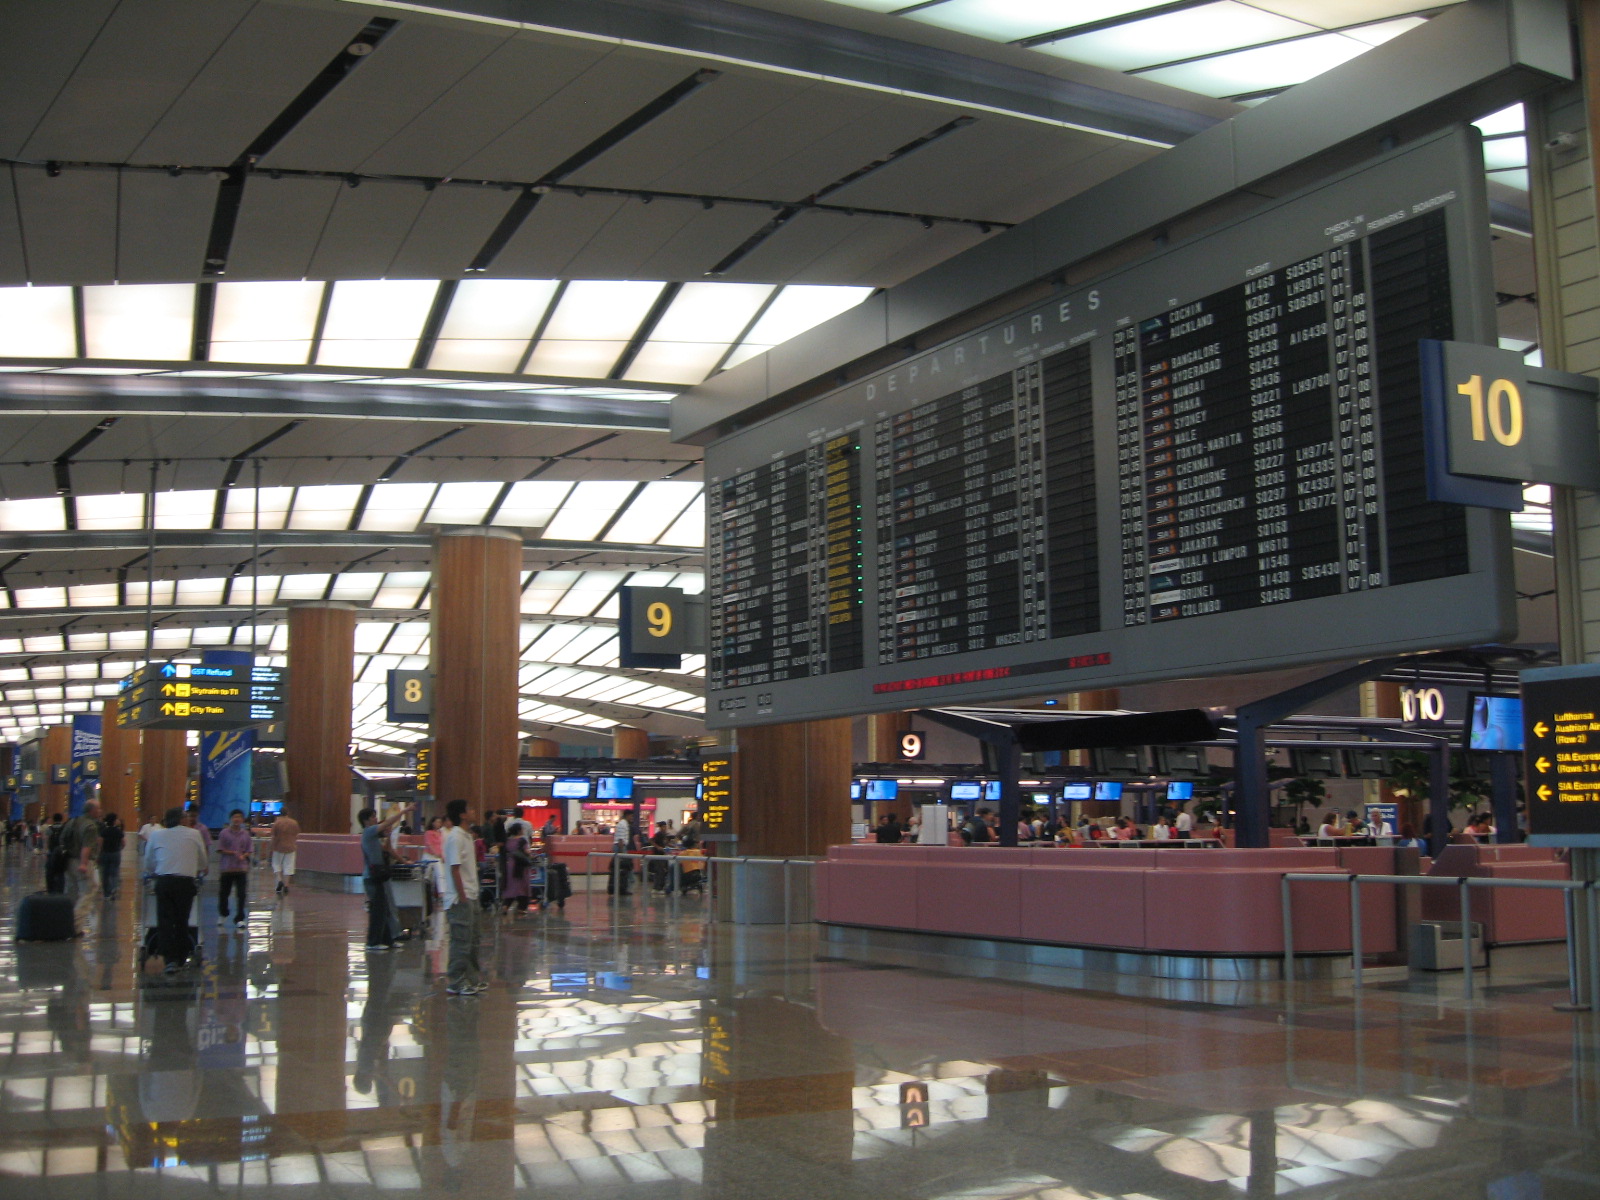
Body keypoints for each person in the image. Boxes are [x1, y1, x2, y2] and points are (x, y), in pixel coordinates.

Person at [144, 807, 208, 973]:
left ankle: (168, 959)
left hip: (164, 882)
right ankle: (180, 958)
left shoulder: (157, 835)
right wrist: (197, 868)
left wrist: (156, 869)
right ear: (181, 819)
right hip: (185, 883)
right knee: (182, 921)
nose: (188, 819)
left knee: (165, 921)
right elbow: (202, 861)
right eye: (186, 817)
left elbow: (149, 862)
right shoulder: (194, 834)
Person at [441, 799, 484, 995]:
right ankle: (456, 981)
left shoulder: (467, 836)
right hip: (460, 899)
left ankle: (472, 978)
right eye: (470, 808)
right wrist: (463, 896)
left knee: (473, 940)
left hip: (471, 895)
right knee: (461, 941)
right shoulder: (455, 837)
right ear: (462, 815)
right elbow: (454, 869)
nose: (474, 811)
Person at [359, 804, 412, 952]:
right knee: (378, 910)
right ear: (366, 820)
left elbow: (387, 849)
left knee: (385, 908)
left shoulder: (374, 837)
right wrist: (404, 811)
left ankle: (388, 940)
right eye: (373, 817)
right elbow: (388, 822)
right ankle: (373, 942)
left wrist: (388, 837)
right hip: (372, 877)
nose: (376, 819)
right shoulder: (368, 832)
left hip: (378, 876)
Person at [62, 801, 103, 928]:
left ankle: (64, 921)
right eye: (98, 809)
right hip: (82, 862)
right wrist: (84, 863)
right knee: (88, 892)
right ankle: (75, 924)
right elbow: (87, 846)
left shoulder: (72, 822)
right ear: (92, 811)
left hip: (69, 861)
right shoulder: (90, 826)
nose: (100, 811)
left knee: (71, 893)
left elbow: (62, 840)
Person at [215, 809, 253, 928]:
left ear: (242, 820)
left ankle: (240, 918)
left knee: (241, 894)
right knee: (224, 893)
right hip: (227, 868)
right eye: (234, 817)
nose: (237, 819)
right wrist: (233, 853)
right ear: (231, 819)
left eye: (239, 817)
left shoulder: (245, 834)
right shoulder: (224, 833)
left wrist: (244, 856)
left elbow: (249, 850)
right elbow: (220, 849)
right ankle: (223, 914)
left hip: (241, 869)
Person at [499, 819, 533, 916]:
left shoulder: (508, 841)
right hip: (520, 866)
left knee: (511, 886)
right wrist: (531, 856)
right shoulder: (522, 840)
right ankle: (521, 908)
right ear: (519, 830)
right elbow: (527, 852)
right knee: (522, 886)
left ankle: (506, 906)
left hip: (510, 865)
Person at [269, 808, 300, 896]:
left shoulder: (277, 823)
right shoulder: (294, 823)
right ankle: (286, 885)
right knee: (289, 866)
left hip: (278, 847)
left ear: (280, 813)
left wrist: (271, 847)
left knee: (276, 864)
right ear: (288, 813)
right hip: (291, 847)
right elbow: (296, 834)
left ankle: (279, 880)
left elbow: (273, 836)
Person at [98, 811, 125, 899]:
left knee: (105, 873)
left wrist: (100, 853)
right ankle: (114, 889)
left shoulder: (104, 831)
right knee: (114, 872)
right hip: (115, 853)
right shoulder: (118, 831)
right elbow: (123, 843)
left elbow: (100, 843)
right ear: (114, 821)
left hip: (105, 853)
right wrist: (119, 848)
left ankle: (106, 892)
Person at [608, 811, 634, 896]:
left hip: (620, 847)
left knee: (617, 869)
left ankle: (617, 887)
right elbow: (621, 840)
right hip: (620, 848)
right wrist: (622, 853)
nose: (632, 818)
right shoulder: (623, 825)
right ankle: (622, 888)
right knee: (623, 868)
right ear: (627, 815)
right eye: (631, 816)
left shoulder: (623, 824)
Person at [44, 812, 67, 893]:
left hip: (51, 852)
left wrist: (46, 852)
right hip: (61, 853)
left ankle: (50, 888)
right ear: (61, 819)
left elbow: (46, 841)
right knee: (61, 872)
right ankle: (61, 888)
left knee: (49, 871)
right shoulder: (64, 828)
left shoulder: (49, 829)